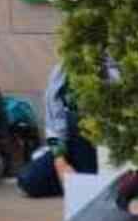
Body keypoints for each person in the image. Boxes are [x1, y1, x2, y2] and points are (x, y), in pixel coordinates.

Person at [18, 61, 98, 198]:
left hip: (101, 146)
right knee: (29, 180)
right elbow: (53, 126)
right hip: (72, 143)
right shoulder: (61, 72)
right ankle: (77, 179)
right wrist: (60, 160)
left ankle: (86, 180)